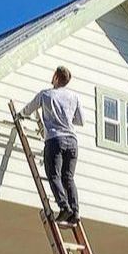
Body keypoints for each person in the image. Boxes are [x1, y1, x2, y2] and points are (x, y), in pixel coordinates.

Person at [21, 65, 84, 224]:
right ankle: (75, 212)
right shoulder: (74, 97)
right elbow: (80, 121)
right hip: (72, 141)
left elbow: (29, 109)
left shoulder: (46, 94)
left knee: (53, 175)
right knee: (68, 178)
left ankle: (64, 207)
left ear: (56, 77)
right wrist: (67, 118)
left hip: (55, 139)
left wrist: (19, 115)